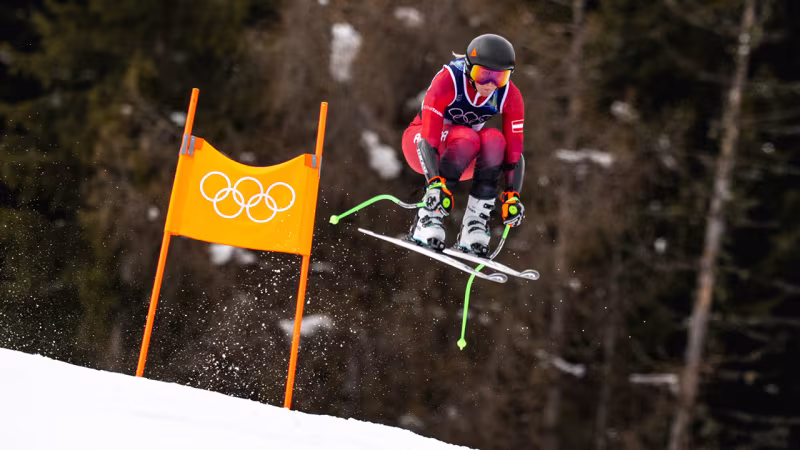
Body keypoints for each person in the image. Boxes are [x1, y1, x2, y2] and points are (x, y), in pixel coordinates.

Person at [401, 33, 526, 257]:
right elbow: (429, 138)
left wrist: (512, 195)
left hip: (464, 157)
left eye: (500, 77)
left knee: (496, 140)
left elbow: (515, 152)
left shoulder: (509, 95)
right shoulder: (449, 80)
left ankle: (474, 225)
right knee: (467, 137)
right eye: (483, 75)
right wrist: (435, 184)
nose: (490, 85)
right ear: (469, 68)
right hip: (421, 145)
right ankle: (428, 217)